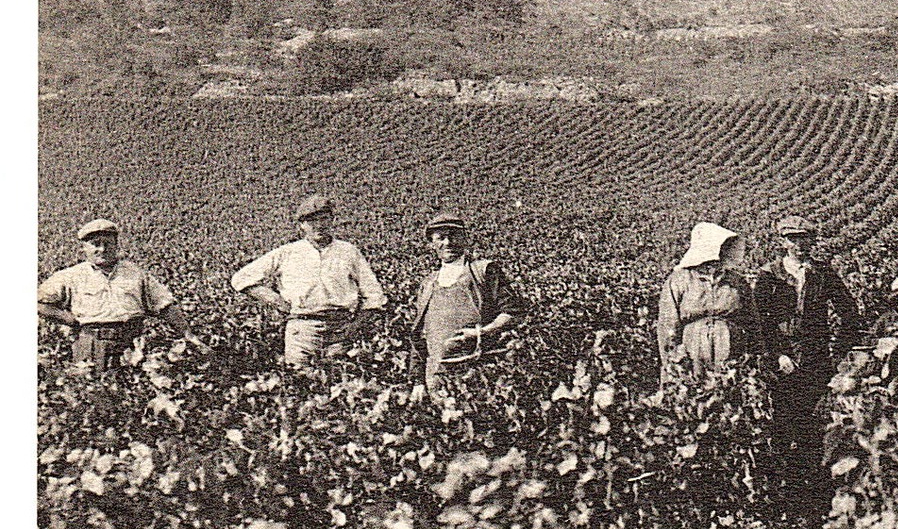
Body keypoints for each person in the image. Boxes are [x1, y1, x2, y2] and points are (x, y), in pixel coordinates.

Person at [755, 216, 861, 481]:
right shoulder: (769, 276)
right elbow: (759, 321)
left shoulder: (822, 273)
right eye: (794, 239)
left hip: (816, 361)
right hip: (781, 364)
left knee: (814, 425)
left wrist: (838, 353)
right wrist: (777, 354)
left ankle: (814, 485)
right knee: (782, 423)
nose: (800, 245)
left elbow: (849, 312)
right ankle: (785, 485)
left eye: (805, 239)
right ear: (784, 242)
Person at [230, 194, 387, 367]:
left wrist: (354, 327)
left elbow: (374, 295)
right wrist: (275, 300)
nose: (319, 226)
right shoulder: (288, 253)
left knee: (343, 383)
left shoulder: (348, 252)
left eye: (324, 219)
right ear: (302, 225)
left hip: (342, 328)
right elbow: (241, 278)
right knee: (299, 380)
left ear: (332, 220)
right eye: (312, 221)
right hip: (302, 330)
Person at [37, 218, 199, 371]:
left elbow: (165, 305)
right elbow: (39, 302)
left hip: (133, 344)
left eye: (107, 243)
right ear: (84, 248)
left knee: (136, 392)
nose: (102, 249)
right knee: (92, 392)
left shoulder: (136, 273)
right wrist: (68, 320)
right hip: (91, 345)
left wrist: (188, 335)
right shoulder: (70, 276)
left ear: (116, 245)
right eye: (95, 244)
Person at [408, 212, 530, 392]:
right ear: (432, 244)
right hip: (438, 379)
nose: (448, 243)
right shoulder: (427, 284)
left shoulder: (484, 271)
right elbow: (419, 336)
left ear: (465, 239)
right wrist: (418, 381)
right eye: (441, 238)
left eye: (453, 236)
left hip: (480, 374)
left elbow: (513, 313)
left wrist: (479, 333)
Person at [656, 222, 760, 375]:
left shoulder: (736, 281)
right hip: (693, 349)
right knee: (696, 390)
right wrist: (672, 360)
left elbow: (752, 321)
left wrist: (756, 356)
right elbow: (668, 324)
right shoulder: (679, 280)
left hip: (731, 348)